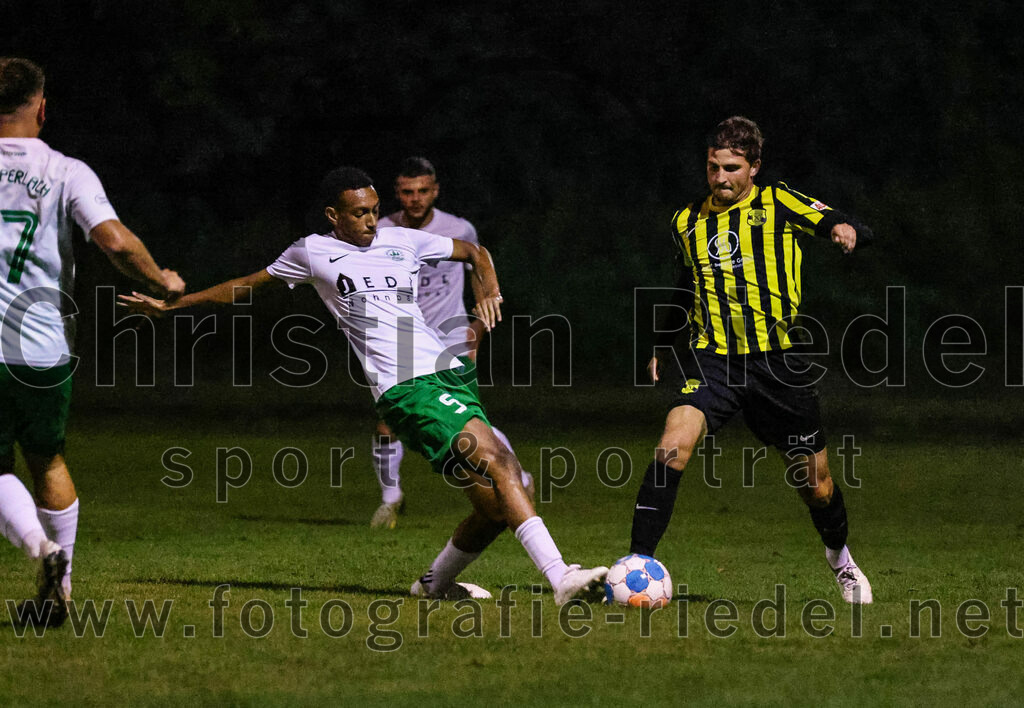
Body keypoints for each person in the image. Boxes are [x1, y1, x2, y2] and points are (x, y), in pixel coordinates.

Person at [120, 166, 606, 604]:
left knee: (495, 503)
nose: (373, 221)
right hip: (405, 390)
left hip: (450, 374)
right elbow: (244, 285)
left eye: (375, 211)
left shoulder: (403, 242)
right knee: (501, 464)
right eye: (360, 214)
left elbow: (475, 253)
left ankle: (434, 585)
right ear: (334, 215)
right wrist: (171, 307)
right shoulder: (313, 252)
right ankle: (561, 578)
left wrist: (490, 291)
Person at [631, 116, 874, 604]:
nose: (720, 178)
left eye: (732, 168)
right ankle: (637, 563)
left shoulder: (777, 200)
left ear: (754, 168)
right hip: (712, 360)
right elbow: (685, 287)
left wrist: (845, 230)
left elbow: (840, 222)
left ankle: (841, 561)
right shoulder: (687, 221)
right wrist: (662, 343)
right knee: (672, 445)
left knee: (816, 484)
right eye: (713, 167)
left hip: (778, 363)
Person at [0, 57, 185, 626]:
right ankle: (62, 587)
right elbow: (114, 242)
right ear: (42, 105)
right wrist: (163, 281)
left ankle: (42, 550)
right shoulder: (64, 170)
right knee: (48, 458)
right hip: (42, 344)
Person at [369, 157, 524, 529]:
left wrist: (477, 328)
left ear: (435, 190)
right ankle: (391, 499)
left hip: (451, 336)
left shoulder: (457, 228)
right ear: (397, 193)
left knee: (469, 417)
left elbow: (478, 272)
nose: (415, 199)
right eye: (407, 192)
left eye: (423, 191)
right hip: (404, 342)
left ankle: (514, 475)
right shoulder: (382, 231)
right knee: (388, 425)